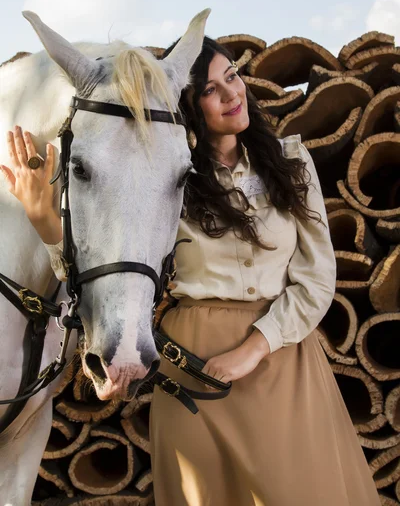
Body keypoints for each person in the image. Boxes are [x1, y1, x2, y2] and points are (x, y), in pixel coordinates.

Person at [1, 37, 380, 506]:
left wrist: (253, 349)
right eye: (212, 90)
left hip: (284, 364)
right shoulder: (164, 180)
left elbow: (317, 279)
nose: (232, 94)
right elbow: (116, 261)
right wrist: (45, 222)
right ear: (189, 108)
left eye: (233, 77)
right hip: (192, 372)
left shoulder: (291, 163)